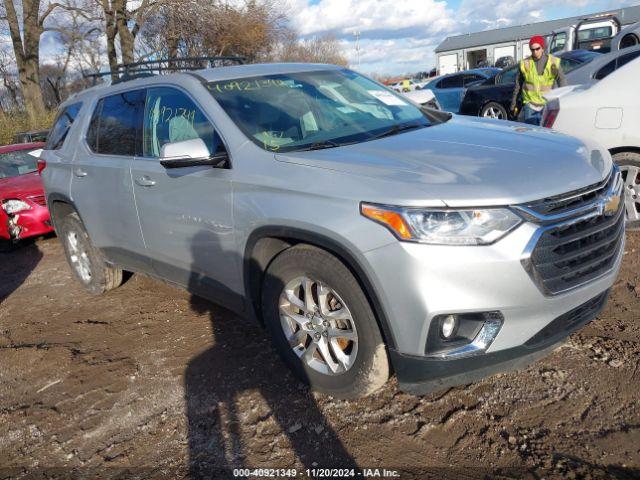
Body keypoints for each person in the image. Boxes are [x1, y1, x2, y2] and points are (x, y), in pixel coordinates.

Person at [510, 35, 566, 125]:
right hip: (530, 106)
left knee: (545, 134)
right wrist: (513, 104)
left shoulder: (553, 63)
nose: (535, 52)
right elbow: (518, 86)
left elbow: (562, 81)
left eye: (537, 49)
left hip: (548, 106)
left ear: (542, 48)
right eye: (532, 50)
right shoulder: (525, 64)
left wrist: (564, 101)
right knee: (532, 133)